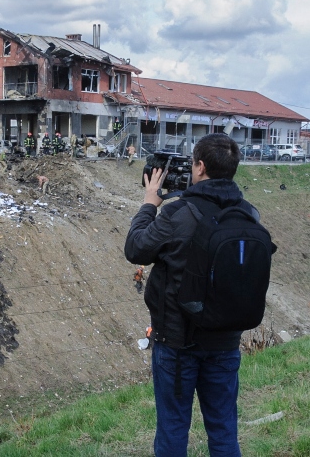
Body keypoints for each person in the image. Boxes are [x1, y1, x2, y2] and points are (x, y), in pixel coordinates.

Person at [124, 133, 257, 456]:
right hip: (226, 341)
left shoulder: (178, 213)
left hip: (178, 342)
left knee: (173, 429)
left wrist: (149, 203)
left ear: (198, 166)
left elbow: (136, 248)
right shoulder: (249, 214)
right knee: (224, 430)